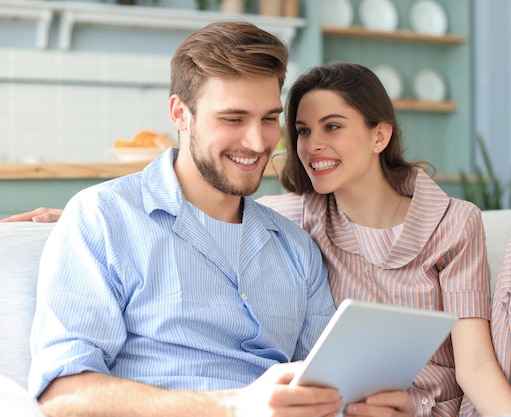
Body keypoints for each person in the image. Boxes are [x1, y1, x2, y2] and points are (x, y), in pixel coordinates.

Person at [4, 62, 511, 416]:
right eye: (303, 129)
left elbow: (475, 366)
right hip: (353, 403)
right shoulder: (300, 218)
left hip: (443, 401)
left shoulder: (445, 221)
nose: (305, 146)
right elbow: (197, 203)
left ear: (380, 134)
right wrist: (75, 211)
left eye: (331, 127)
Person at [23, 21, 350, 417]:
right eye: (232, 119)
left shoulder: (295, 246)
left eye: (268, 118)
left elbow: (327, 387)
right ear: (181, 113)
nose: (259, 142)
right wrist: (234, 405)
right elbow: (62, 393)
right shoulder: (103, 217)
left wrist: (366, 403)